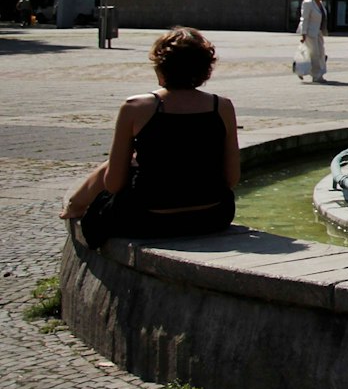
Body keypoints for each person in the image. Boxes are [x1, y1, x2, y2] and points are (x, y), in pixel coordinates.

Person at [61, 26, 240, 247]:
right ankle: (75, 203)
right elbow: (231, 178)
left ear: (161, 66)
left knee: (107, 194)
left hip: (148, 218)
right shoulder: (222, 106)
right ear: (205, 68)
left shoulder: (136, 107)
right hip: (212, 216)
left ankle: (74, 205)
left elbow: (114, 183)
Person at [296, 0, 330, 83]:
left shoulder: (320, 3)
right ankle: (316, 76)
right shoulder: (308, 3)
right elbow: (305, 19)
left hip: (318, 31)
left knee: (321, 53)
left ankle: (317, 73)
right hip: (310, 32)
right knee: (314, 53)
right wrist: (304, 34)